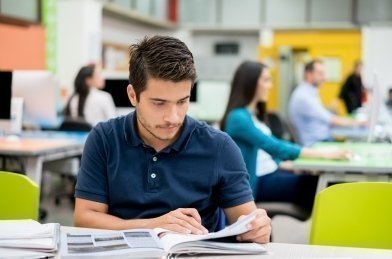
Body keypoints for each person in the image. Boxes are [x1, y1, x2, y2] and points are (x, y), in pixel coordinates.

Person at [73, 36, 271, 244]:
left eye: (182, 102)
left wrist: (256, 228)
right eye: (159, 103)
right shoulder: (104, 139)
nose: (173, 117)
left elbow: (247, 221)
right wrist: (154, 226)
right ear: (133, 96)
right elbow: (85, 218)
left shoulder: (220, 146)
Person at [221, 61, 350, 211]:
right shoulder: (238, 118)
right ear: (250, 83)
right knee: (325, 186)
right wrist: (323, 154)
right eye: (266, 80)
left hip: (271, 173)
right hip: (259, 183)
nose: (270, 85)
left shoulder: (253, 115)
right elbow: (274, 146)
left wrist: (293, 166)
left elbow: (267, 156)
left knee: (323, 181)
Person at [288, 59, 364, 147]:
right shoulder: (304, 96)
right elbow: (330, 119)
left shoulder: (310, 92)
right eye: (320, 74)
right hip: (315, 144)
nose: (324, 78)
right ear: (308, 75)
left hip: (322, 140)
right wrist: (358, 123)